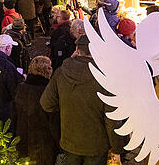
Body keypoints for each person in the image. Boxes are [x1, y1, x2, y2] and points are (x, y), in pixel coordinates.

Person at [40, 35, 124, 163]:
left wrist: (64, 105)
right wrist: (117, 148)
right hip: (96, 145)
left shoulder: (61, 72)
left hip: (70, 140)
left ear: (77, 51)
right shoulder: (105, 78)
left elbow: (46, 104)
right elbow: (112, 119)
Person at [14, 56, 60, 165]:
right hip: (44, 142)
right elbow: (53, 121)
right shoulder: (48, 92)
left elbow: (15, 113)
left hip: (23, 137)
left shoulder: (21, 88)